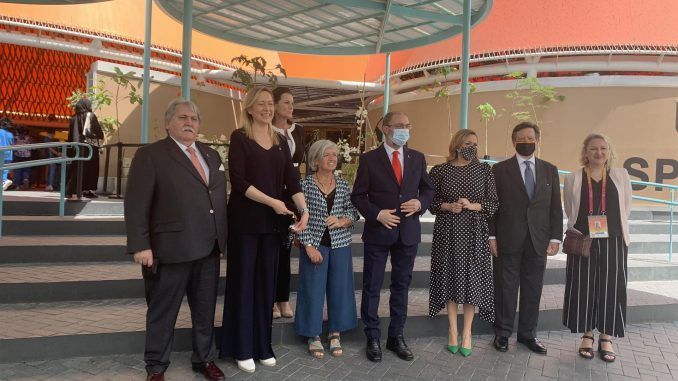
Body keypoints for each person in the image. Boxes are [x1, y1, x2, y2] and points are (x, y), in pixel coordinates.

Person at [124, 98, 227, 381]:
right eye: (182, 118)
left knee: (205, 312)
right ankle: (156, 367)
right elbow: (136, 203)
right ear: (169, 122)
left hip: (208, 248)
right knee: (162, 313)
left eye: (194, 119)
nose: (189, 123)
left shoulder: (211, 155)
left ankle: (205, 359)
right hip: (169, 250)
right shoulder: (151, 155)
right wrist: (141, 244)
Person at [220, 87, 309, 373]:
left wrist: (304, 210)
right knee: (244, 284)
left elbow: (292, 180)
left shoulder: (281, 140)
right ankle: (241, 347)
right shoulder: (239, 137)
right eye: (261, 104)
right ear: (249, 107)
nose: (267, 108)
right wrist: (274, 202)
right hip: (246, 223)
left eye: (270, 104)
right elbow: (239, 181)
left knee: (265, 286)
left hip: (273, 225)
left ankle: (262, 346)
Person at [351, 111, 435, 362]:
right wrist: (377, 215)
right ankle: (373, 337)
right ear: (386, 129)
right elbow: (358, 196)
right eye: (400, 126)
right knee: (372, 286)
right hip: (378, 233)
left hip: (408, 233)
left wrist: (420, 203)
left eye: (408, 126)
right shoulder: (369, 159)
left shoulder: (417, 158)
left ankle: (396, 337)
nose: (405, 130)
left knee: (401, 286)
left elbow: (428, 189)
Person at [489, 122, 563, 355]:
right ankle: (502, 333)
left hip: (538, 241)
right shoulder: (499, 170)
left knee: (533, 290)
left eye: (530, 137)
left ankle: (527, 335)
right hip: (506, 239)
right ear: (513, 141)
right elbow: (493, 206)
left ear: (537, 140)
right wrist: (491, 235)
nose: (526, 141)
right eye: (521, 138)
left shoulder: (550, 169)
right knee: (505, 289)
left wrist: (555, 238)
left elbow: (554, 208)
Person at [428, 129, 498, 357]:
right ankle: (452, 329)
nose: (472, 148)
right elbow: (431, 202)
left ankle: (467, 332)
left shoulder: (484, 170)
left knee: (472, 279)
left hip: (475, 231)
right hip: (447, 231)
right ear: (457, 145)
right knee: (450, 277)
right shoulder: (440, 171)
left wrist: (472, 205)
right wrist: (448, 206)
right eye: (468, 143)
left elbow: (493, 203)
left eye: (475, 144)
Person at [562, 134, 631, 363]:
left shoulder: (621, 175)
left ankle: (606, 337)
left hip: (613, 241)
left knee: (611, 287)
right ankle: (587, 335)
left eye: (603, 148)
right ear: (585, 152)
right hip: (584, 240)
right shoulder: (573, 178)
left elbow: (626, 208)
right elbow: (570, 209)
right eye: (593, 149)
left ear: (608, 151)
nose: (599, 153)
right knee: (583, 287)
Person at [295, 139, 359, 359]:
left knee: (340, 289)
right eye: (327, 155)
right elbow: (298, 219)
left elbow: (353, 212)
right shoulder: (304, 186)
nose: (333, 158)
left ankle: (335, 332)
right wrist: (309, 246)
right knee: (312, 289)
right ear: (316, 159)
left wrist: (342, 220)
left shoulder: (342, 184)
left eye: (335, 155)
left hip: (340, 244)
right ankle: (312, 334)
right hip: (315, 244)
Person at [271, 86, 305, 319]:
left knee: (285, 248)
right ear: (274, 104)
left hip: (292, 193)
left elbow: (301, 163)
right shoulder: (264, 130)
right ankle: (270, 299)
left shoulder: (298, 131)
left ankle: (283, 298)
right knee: (271, 248)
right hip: (270, 191)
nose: (290, 107)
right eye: (286, 102)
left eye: (292, 103)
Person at [67, 99, 103, 200]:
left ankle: (72, 191)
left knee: (76, 169)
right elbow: (97, 132)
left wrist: (69, 150)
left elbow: (70, 135)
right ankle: (88, 190)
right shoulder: (90, 115)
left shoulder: (73, 118)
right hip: (89, 148)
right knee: (90, 169)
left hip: (76, 148)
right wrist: (98, 144)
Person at [0, 118, 14, 191]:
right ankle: (4, 181)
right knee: (5, 170)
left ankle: (4, 181)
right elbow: (12, 144)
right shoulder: (10, 134)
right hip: (9, 154)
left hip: (1, 152)